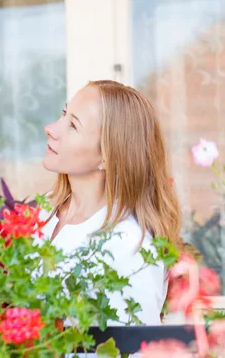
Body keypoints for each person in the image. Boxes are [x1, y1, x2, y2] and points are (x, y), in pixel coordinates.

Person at [41, 80, 182, 325]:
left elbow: (132, 348)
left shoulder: (129, 247)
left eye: (73, 125)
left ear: (107, 155)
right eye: (64, 114)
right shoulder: (45, 214)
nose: (51, 128)